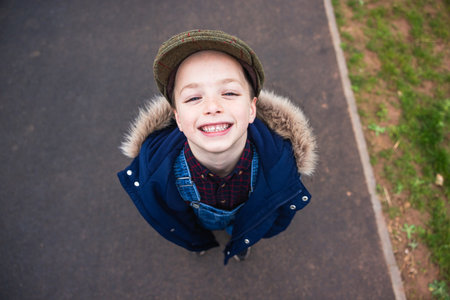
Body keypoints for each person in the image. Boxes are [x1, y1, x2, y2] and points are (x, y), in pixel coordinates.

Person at [117, 29, 317, 265]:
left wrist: (250, 234)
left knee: (242, 227)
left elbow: (277, 216)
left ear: (252, 109)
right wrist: (190, 237)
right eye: (193, 98)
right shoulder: (156, 170)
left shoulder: (280, 164)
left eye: (229, 92)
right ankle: (200, 240)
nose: (212, 107)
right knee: (193, 226)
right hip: (196, 219)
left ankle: (239, 238)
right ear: (178, 117)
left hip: (243, 217)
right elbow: (169, 215)